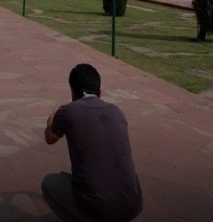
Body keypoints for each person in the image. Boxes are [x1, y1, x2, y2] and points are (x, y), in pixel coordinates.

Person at [42, 64, 143, 222]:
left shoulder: (67, 111)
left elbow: (49, 138)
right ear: (99, 92)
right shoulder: (117, 112)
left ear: (73, 91)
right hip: (132, 204)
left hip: (96, 206)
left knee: (48, 184)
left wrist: (50, 121)